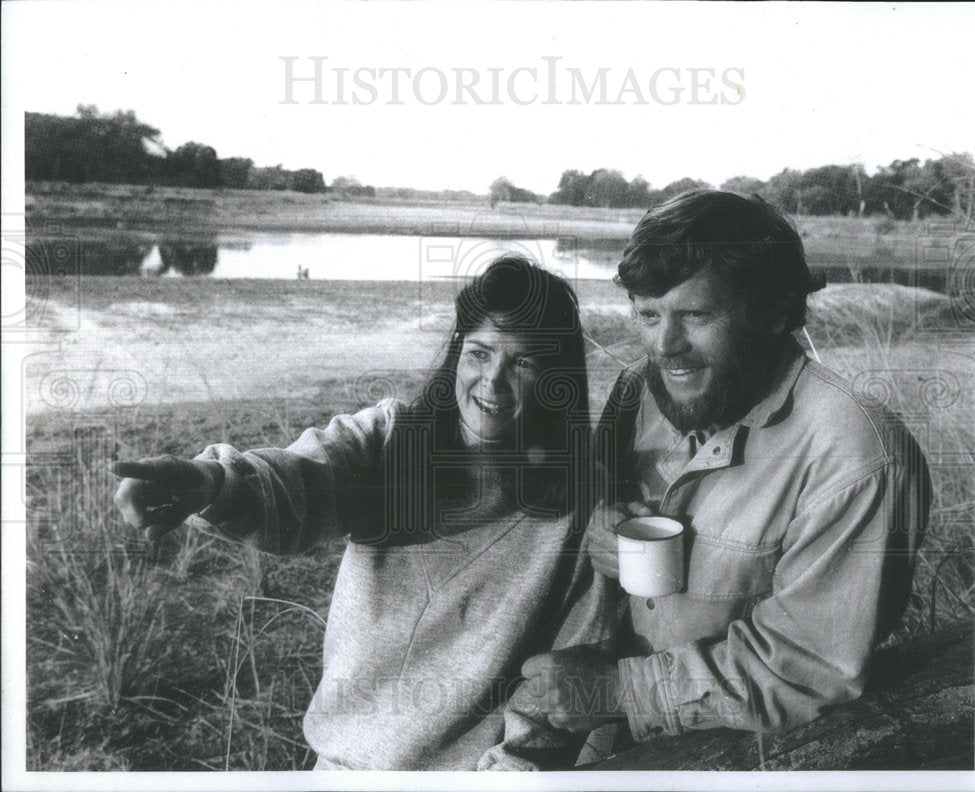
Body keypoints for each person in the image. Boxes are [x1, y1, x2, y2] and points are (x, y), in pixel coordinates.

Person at [113, 254, 615, 771]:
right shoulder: (391, 440)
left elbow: (563, 679)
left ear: (557, 380)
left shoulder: (581, 505)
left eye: (524, 363)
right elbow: (301, 478)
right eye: (480, 354)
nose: (493, 382)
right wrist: (209, 482)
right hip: (336, 770)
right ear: (456, 356)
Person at [519, 190, 931, 749]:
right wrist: (597, 521)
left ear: (776, 312)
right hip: (595, 739)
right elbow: (593, 497)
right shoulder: (637, 390)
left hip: (740, 754)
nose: (666, 348)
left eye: (696, 314)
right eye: (648, 315)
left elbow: (807, 664)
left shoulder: (858, 458)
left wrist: (616, 693)